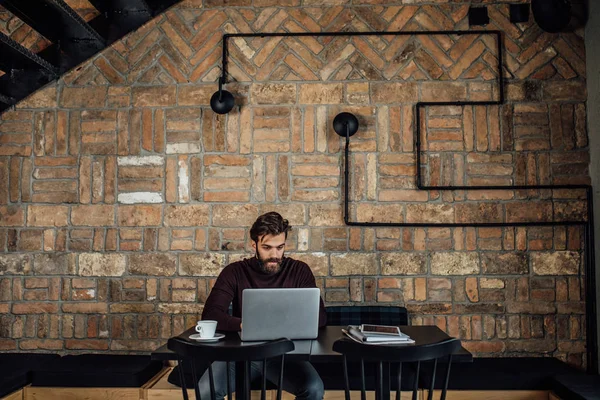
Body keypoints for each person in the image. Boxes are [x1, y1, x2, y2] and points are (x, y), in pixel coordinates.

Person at [198, 211, 326, 400]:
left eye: (280, 247)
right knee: (205, 390)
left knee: (313, 389)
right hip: (240, 354)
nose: (274, 255)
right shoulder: (234, 272)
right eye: (267, 247)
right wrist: (244, 325)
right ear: (254, 245)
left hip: (284, 355)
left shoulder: (299, 270)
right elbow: (211, 315)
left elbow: (321, 317)